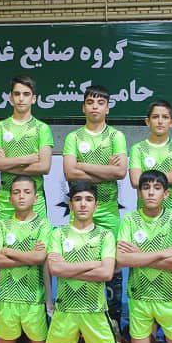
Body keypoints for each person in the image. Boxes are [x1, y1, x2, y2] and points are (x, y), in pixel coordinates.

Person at [62, 84, 128, 327]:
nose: (95, 107)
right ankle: (76, 318)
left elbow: (120, 172)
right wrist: (105, 170)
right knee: (77, 259)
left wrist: (83, 166)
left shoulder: (116, 137)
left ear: (107, 108)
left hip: (108, 210)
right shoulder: (73, 137)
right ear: (83, 107)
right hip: (80, 209)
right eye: (90, 102)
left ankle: (112, 321)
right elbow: (70, 173)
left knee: (114, 264)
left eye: (100, 103)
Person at [44, 181, 124, 343]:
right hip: (65, 310)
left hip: (94, 310)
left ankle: (117, 339)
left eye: (88, 199)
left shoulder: (105, 235)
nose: (83, 204)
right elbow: (55, 270)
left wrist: (67, 268)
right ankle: (77, 338)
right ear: (70, 204)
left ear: (96, 205)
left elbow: (106, 273)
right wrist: (93, 264)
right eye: (78, 199)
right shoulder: (58, 234)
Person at [116, 170, 172, 343]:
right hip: (139, 299)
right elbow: (121, 259)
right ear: (139, 193)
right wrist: (163, 253)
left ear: (166, 194)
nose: (151, 192)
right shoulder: (130, 220)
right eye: (146, 187)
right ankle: (135, 332)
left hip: (168, 299)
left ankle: (162, 328)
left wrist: (139, 256)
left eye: (157, 188)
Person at [0, 175, 52, 343]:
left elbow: (40, 257)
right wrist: (29, 257)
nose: (21, 196)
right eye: (16, 192)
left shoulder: (44, 225)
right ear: (10, 198)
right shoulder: (2, 226)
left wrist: (8, 251)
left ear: (35, 198)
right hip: (7, 298)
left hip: (34, 299)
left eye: (26, 192)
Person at [0, 75, 54, 221]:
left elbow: (44, 167)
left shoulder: (42, 128)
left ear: (34, 99)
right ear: (11, 98)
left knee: (37, 237)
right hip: (6, 197)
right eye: (17, 94)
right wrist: (25, 159)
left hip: (34, 198)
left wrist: (5, 163)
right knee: (5, 237)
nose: (21, 98)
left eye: (26, 94)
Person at [128, 100, 172, 215]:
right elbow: (136, 181)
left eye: (165, 117)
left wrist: (146, 175)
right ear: (147, 121)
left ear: (171, 122)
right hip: (144, 216)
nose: (160, 121)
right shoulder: (137, 148)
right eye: (155, 117)